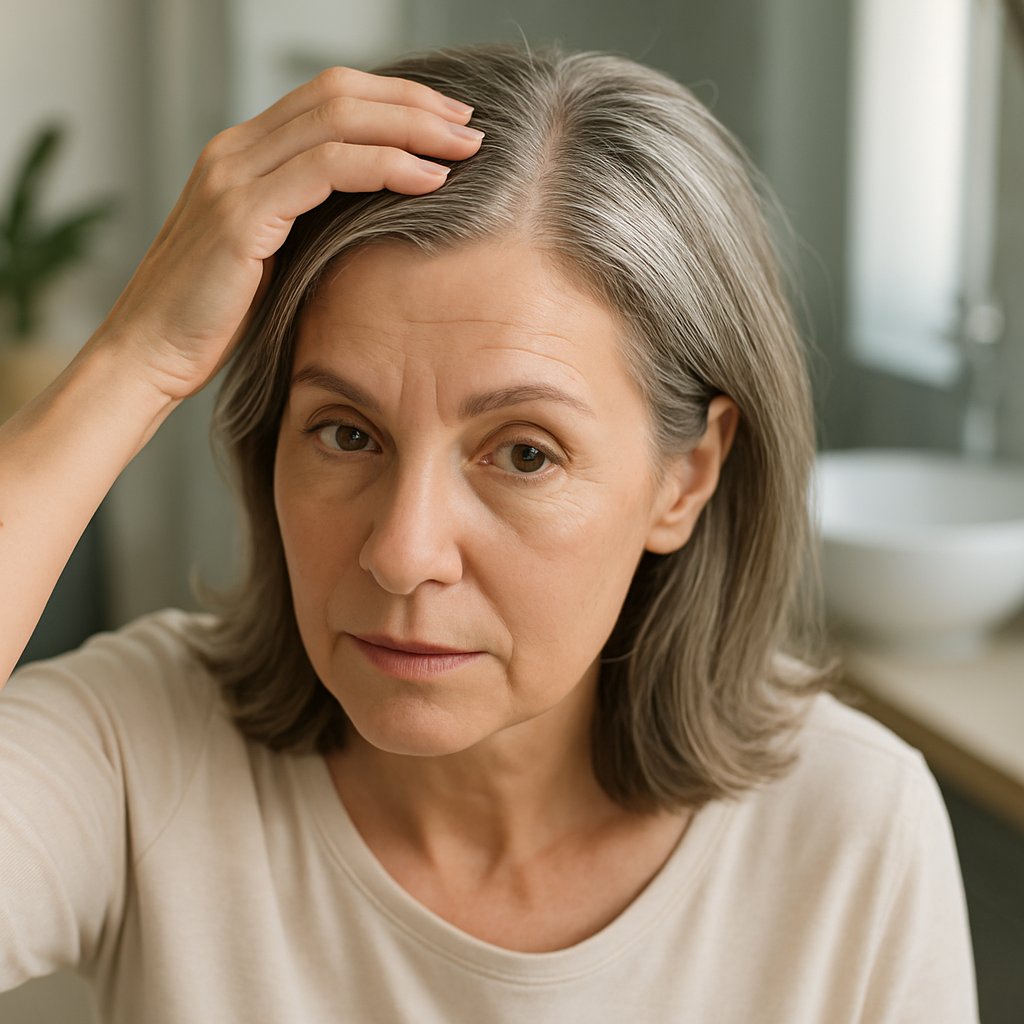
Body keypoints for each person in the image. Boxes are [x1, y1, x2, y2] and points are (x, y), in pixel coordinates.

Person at [0, 42, 977, 1022]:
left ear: (685, 476)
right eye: (347, 434)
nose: (403, 549)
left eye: (522, 454)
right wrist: (138, 355)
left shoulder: (852, 830)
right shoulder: (134, 754)